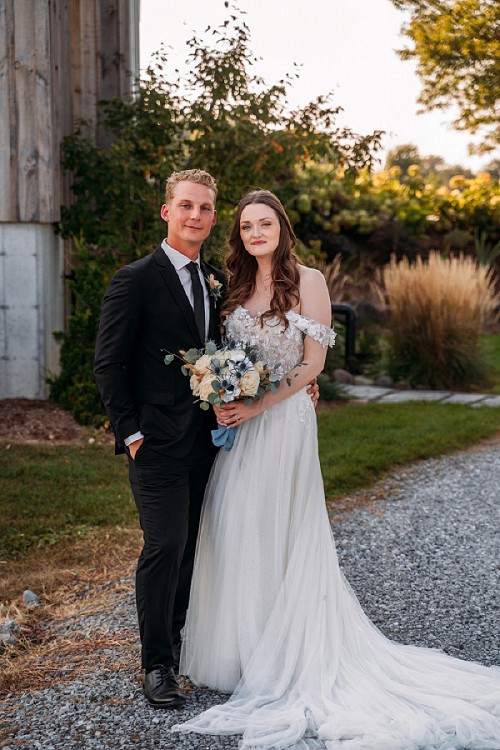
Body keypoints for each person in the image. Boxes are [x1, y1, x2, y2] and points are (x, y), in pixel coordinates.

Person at [173, 190, 500, 749]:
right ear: (240, 234)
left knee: (282, 528)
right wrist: (224, 389)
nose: (256, 233)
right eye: (247, 225)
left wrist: (257, 403)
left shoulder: (310, 280)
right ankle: (241, 652)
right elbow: (225, 354)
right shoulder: (232, 285)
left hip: (282, 423)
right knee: (237, 528)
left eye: (265, 223)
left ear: (282, 227)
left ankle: (287, 656)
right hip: (241, 428)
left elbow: (313, 363)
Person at [94, 169, 319, 711]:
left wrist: (292, 388)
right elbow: (109, 363)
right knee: (165, 545)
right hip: (157, 445)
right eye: (186, 206)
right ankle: (156, 666)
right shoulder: (136, 279)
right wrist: (131, 434)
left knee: (198, 549)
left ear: (213, 218)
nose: (195, 216)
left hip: (213, 442)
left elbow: (241, 353)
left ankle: (180, 646)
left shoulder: (220, 281)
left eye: (205, 209)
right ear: (167, 211)